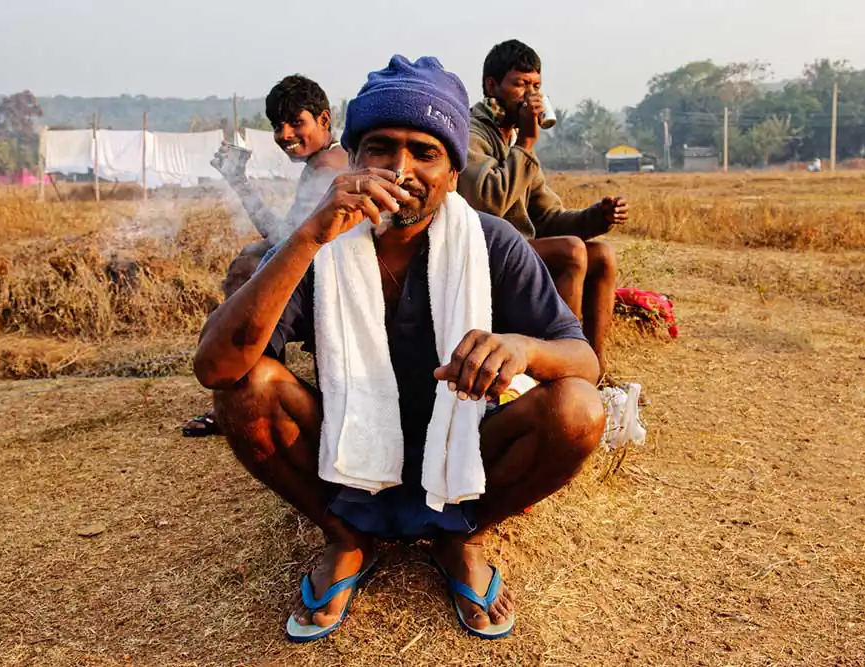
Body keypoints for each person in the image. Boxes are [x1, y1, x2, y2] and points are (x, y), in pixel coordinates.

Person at [194, 55, 605, 641]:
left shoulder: (492, 242)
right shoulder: (320, 241)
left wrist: (520, 348)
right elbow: (215, 367)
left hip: (469, 443)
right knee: (247, 391)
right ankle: (347, 536)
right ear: (354, 157)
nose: (401, 169)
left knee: (578, 411)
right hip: (345, 440)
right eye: (381, 148)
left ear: (454, 171)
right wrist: (309, 234)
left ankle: (460, 536)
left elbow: (584, 362)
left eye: (425, 152)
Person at [183, 74, 347, 437]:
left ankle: (253, 392)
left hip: (335, 287)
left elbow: (285, 240)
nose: (285, 134)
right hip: (327, 280)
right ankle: (254, 385)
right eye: (277, 125)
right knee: (254, 257)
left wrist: (238, 181)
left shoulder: (328, 166)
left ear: (324, 120)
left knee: (250, 265)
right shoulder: (324, 162)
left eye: (295, 122)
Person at [458, 39, 628, 381]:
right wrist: (527, 144)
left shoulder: (515, 139)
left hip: (523, 248)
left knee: (602, 255)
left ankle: (595, 369)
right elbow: (488, 201)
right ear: (492, 86)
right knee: (571, 252)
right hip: (484, 250)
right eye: (520, 84)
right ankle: (562, 368)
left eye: (536, 86)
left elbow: (548, 217)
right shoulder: (471, 132)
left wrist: (598, 216)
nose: (530, 95)